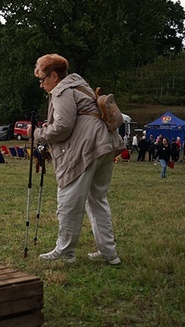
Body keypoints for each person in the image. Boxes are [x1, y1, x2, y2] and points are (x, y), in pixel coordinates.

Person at [32, 54, 124, 265]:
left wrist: (36, 133)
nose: (41, 84)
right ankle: (110, 253)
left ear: (54, 75)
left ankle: (65, 251)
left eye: (43, 79)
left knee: (69, 201)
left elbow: (63, 127)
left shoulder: (62, 91)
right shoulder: (81, 86)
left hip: (87, 149)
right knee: (97, 200)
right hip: (105, 144)